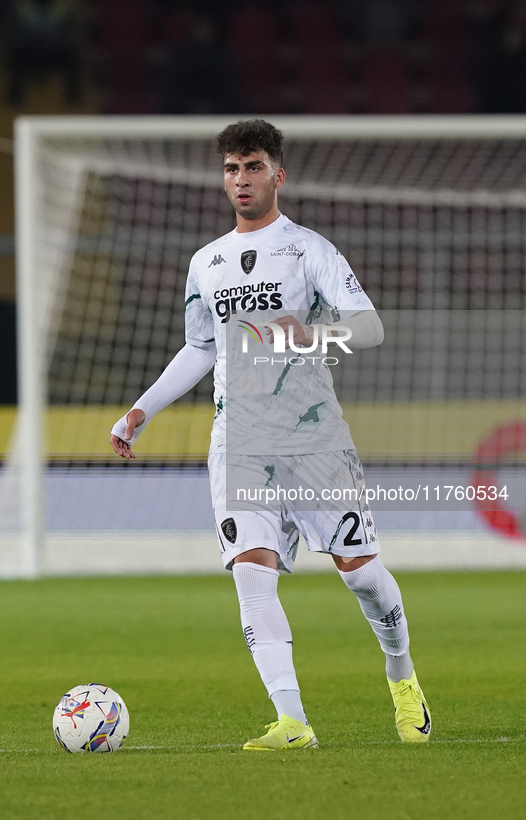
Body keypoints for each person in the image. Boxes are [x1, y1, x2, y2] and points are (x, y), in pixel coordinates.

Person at [111, 119, 431, 751]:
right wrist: (140, 411)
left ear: (277, 173)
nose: (241, 180)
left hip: (312, 439)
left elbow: (370, 329)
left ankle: (402, 677)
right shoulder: (206, 263)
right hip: (239, 441)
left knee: (360, 573)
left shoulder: (308, 250)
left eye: (252, 166)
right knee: (251, 572)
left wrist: (315, 335)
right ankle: (292, 722)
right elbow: (199, 347)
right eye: (231, 169)